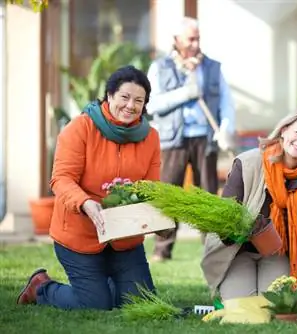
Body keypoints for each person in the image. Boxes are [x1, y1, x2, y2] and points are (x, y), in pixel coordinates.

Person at [16, 66, 161, 310]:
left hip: (124, 237)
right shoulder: (80, 128)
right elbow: (61, 179)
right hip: (79, 235)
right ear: (110, 95)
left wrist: (158, 218)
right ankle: (41, 287)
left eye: (139, 100)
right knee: (95, 305)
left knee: (139, 303)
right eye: (124, 97)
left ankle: (108, 285)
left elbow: (150, 187)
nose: (130, 105)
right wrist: (84, 202)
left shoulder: (151, 137)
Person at [201, 109, 297, 300]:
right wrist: (247, 227)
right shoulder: (247, 163)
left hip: (277, 254)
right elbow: (224, 223)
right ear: (284, 131)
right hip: (237, 252)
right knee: (241, 308)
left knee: (274, 306)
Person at [147, 16, 236, 261]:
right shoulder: (160, 67)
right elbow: (152, 104)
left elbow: (227, 103)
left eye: (198, 38)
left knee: (206, 195)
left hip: (204, 138)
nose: (196, 44)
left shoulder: (212, 67)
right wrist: (184, 93)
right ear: (176, 40)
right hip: (172, 140)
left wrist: (225, 129)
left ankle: (211, 249)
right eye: (191, 38)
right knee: (169, 195)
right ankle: (162, 250)